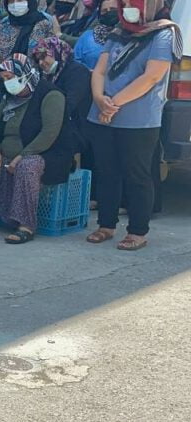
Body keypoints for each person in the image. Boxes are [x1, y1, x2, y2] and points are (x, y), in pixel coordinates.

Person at [84, 0, 180, 251]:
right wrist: (98, 98)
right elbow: (99, 71)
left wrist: (112, 104)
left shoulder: (163, 33)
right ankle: (106, 225)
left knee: (137, 175)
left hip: (138, 119)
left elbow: (151, 77)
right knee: (106, 172)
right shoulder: (118, 31)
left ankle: (138, 231)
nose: (127, 6)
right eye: (123, 2)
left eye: (133, 2)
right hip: (102, 114)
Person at [0, 54, 72, 245]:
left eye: (10, 77)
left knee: (27, 167)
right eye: (4, 79)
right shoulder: (9, 97)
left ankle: (26, 225)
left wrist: (23, 155)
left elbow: (49, 133)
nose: (7, 83)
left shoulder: (50, 95)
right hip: (9, 153)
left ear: (25, 74)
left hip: (45, 153)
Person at [33, 36, 91, 157]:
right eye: (37, 60)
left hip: (75, 129)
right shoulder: (45, 76)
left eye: (43, 57)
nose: (41, 63)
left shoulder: (77, 72)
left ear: (57, 52)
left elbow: (70, 103)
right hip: (52, 128)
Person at [0, 0, 54, 71]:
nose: (15, 4)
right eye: (11, 1)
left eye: (20, 0)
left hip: (33, 78)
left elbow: (50, 59)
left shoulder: (44, 26)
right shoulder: (1, 27)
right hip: (1, 78)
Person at [75, 0, 118, 69]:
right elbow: (76, 61)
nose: (109, 12)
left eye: (113, 9)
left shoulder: (126, 37)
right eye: (104, 11)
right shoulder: (87, 36)